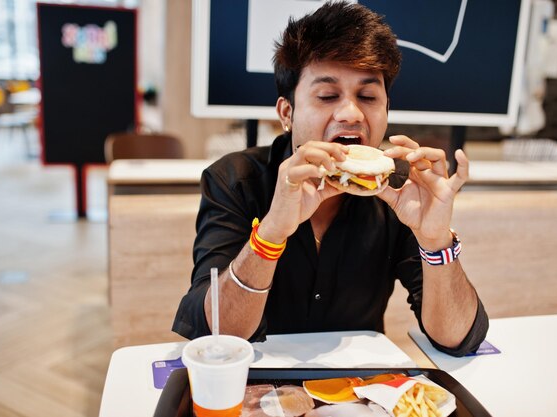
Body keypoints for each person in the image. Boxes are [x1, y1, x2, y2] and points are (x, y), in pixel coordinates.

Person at [173, 1, 488, 356]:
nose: (351, 113)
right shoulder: (235, 180)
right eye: (327, 95)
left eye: (368, 96)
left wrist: (435, 241)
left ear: (386, 111)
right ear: (287, 113)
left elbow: (458, 339)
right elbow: (214, 336)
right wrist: (272, 232)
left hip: (358, 396)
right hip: (253, 386)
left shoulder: (402, 187)